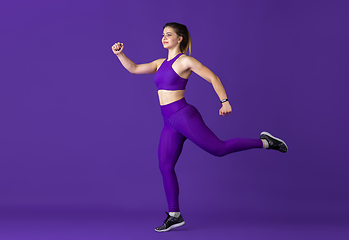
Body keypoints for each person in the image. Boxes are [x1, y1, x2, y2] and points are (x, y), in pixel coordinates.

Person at [112, 22, 287, 232]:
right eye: (163, 34)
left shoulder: (185, 60)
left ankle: (266, 142)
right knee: (165, 166)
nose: (164, 37)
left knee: (219, 149)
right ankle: (174, 215)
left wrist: (225, 101)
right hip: (169, 122)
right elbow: (134, 69)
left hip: (183, 116)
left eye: (169, 34)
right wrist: (120, 54)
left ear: (180, 39)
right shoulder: (160, 63)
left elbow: (213, 77)